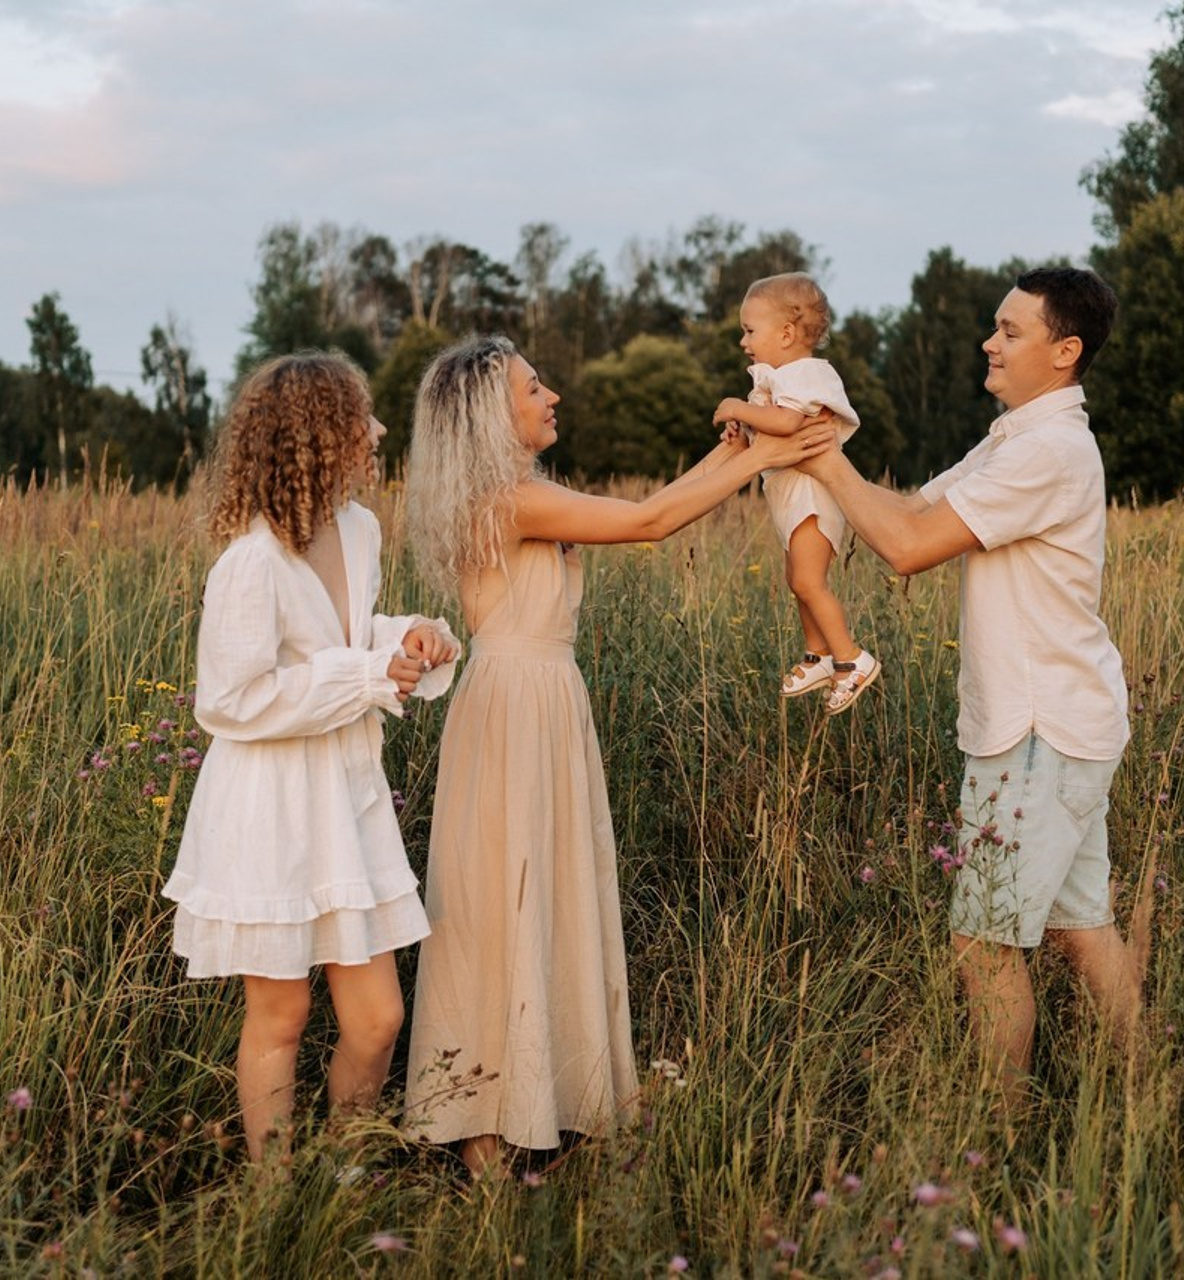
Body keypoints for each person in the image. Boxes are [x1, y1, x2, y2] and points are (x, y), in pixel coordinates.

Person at [401, 335, 835, 1177]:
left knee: (544, 893)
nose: (553, 394)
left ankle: (535, 1107)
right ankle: (487, 1128)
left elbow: (657, 508)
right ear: (496, 414)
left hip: (545, 701)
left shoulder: (525, 491)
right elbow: (647, 522)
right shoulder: (507, 501)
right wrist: (764, 454)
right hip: (514, 708)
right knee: (503, 900)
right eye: (535, 387)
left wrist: (741, 447)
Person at [796, 268, 1141, 1103]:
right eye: (995, 325)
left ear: (1065, 352)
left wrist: (822, 457)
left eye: (1011, 331)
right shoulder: (1014, 436)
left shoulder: (1052, 449)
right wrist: (812, 463)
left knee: (983, 944)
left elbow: (910, 549)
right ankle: (1150, 1097)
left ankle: (999, 1130)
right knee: (1080, 928)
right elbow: (913, 513)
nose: (990, 341)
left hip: (1038, 731)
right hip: (1056, 724)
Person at [162, 351, 460, 1164]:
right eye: (362, 415)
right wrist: (366, 673)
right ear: (320, 433)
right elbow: (231, 700)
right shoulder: (251, 562)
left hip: (345, 797)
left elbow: (345, 639)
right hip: (271, 806)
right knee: (281, 1014)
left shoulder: (357, 528)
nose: (379, 430)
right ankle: (273, 1196)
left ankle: (344, 1175)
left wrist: (406, 639)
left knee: (377, 1019)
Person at [712, 272, 879, 714]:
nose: (743, 341)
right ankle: (818, 655)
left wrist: (735, 406)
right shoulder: (781, 378)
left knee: (809, 580)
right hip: (790, 497)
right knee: (796, 579)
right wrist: (744, 423)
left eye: (750, 330)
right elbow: (771, 423)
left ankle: (851, 658)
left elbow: (786, 424)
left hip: (811, 495)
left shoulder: (807, 374)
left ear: (786, 334)